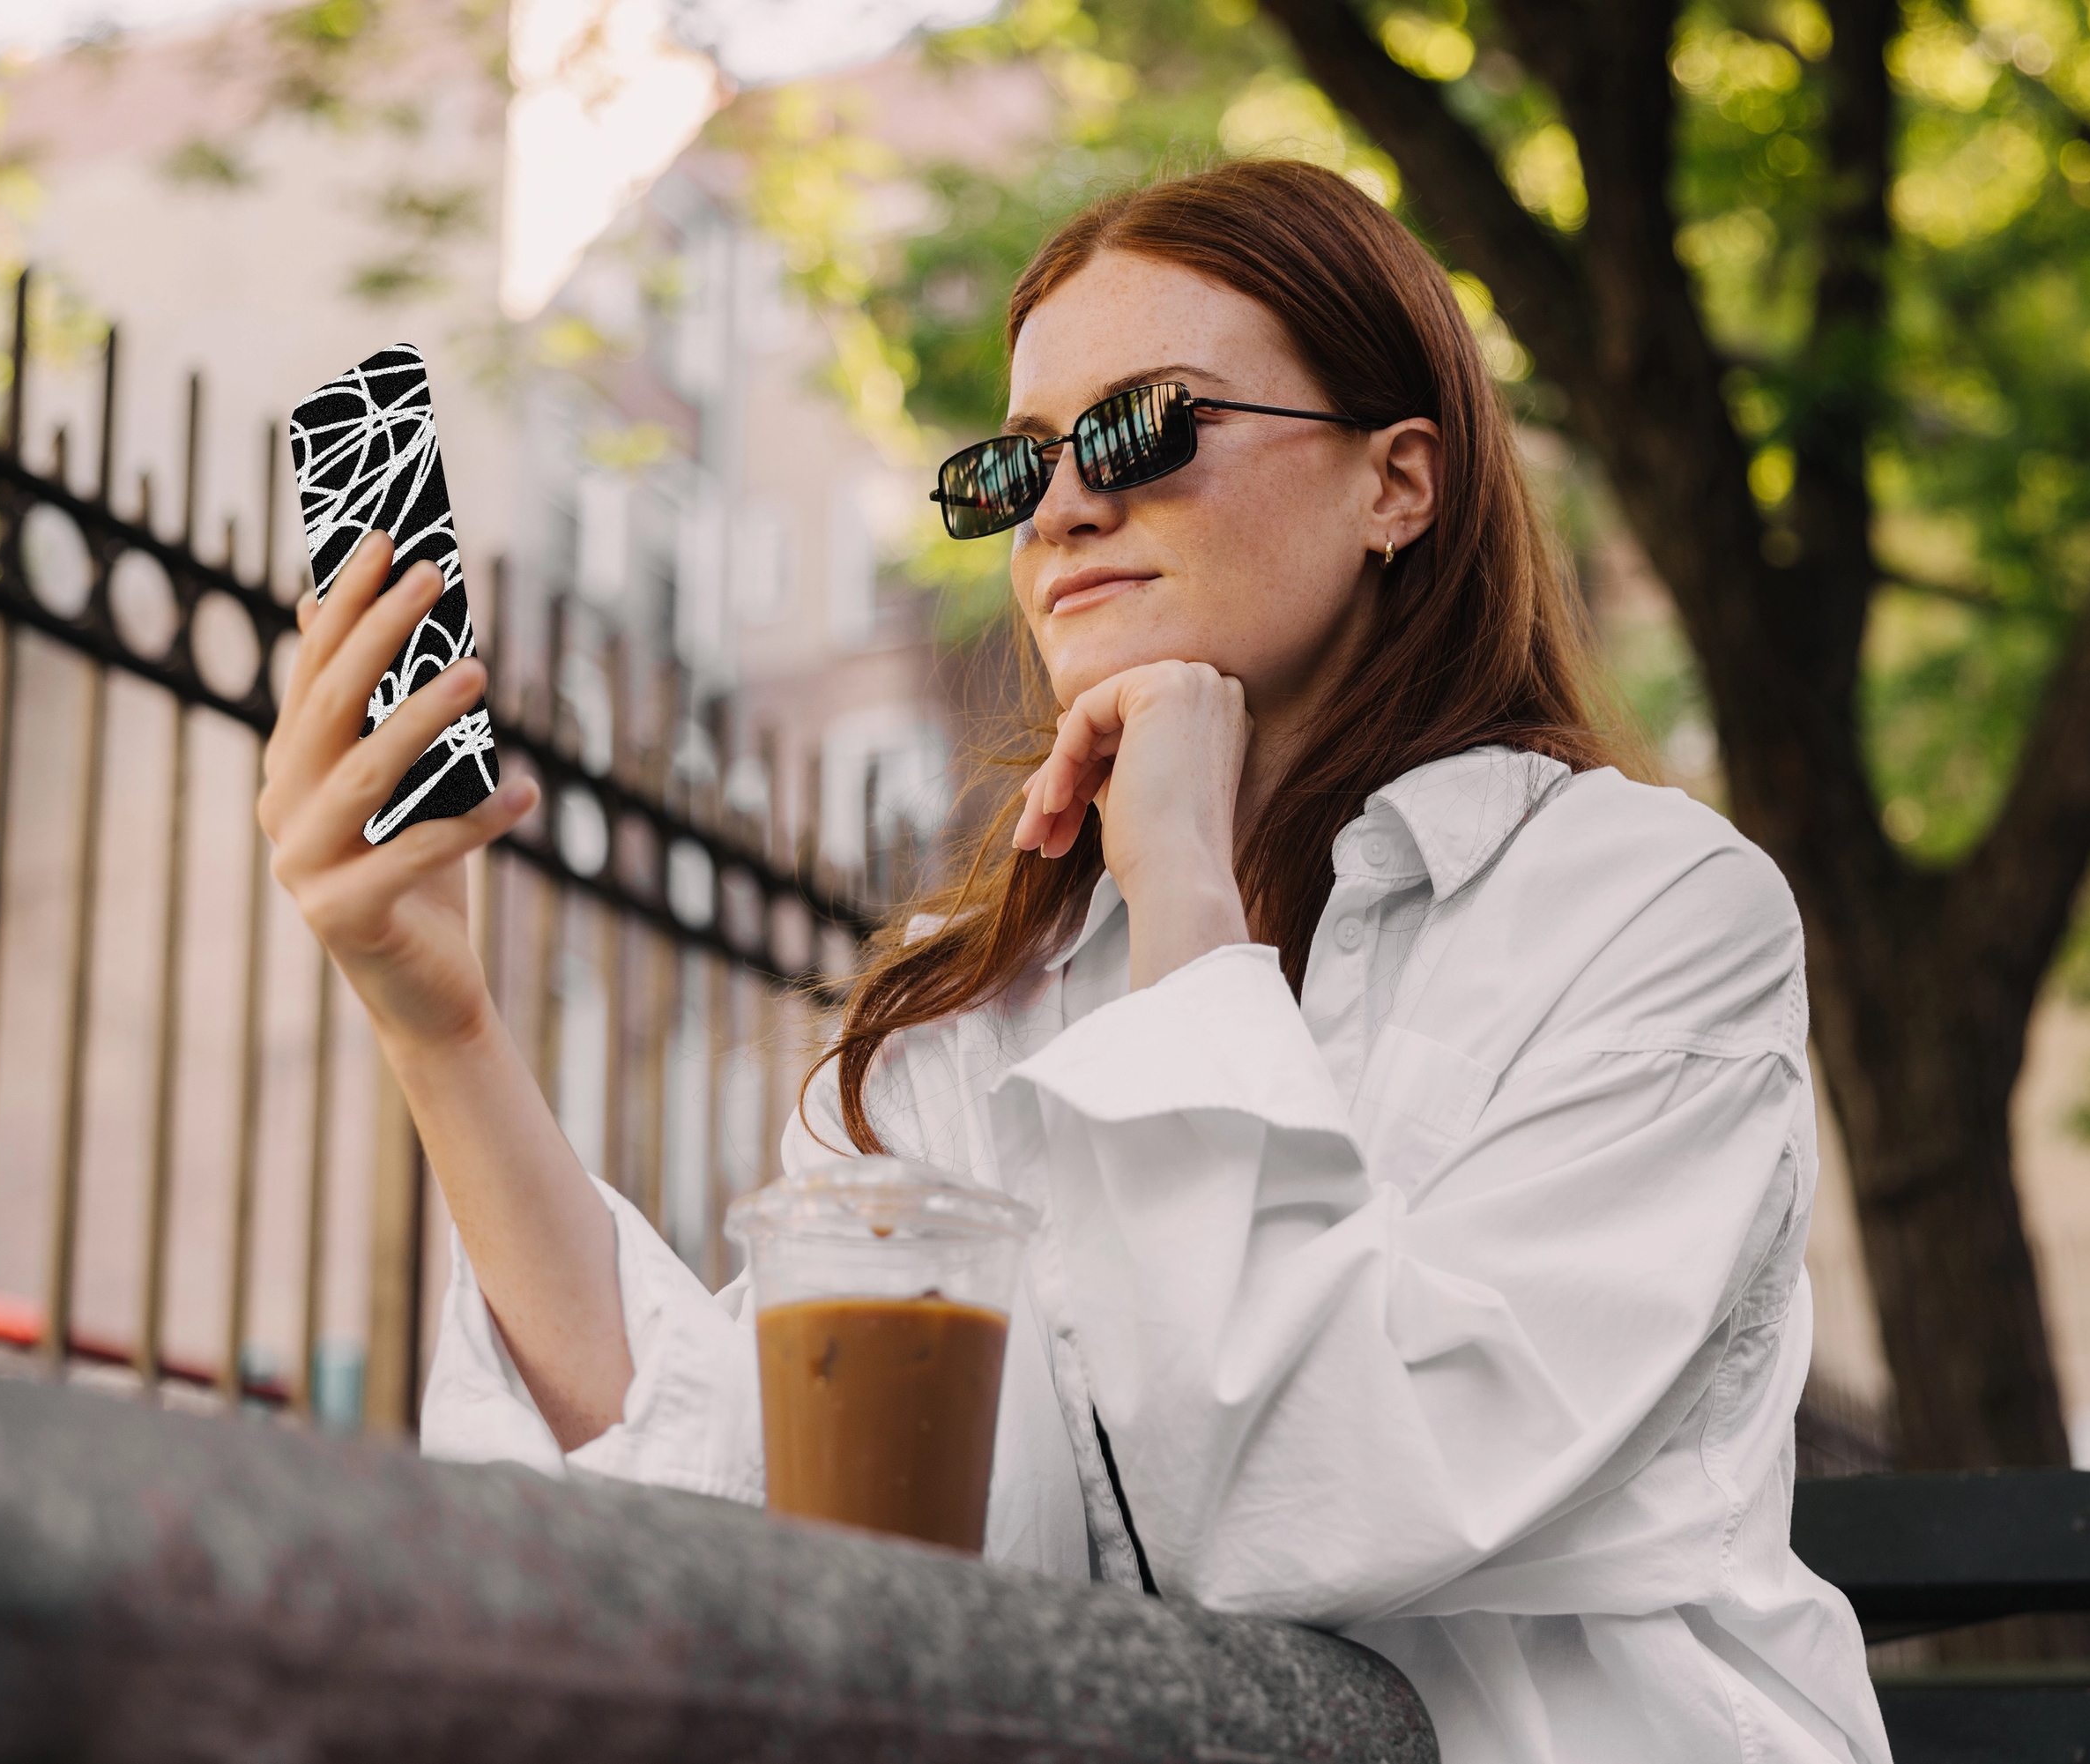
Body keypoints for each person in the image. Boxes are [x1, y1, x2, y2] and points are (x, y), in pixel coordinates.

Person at [257, 158, 1891, 1764]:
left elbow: (1319, 1495)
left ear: (1399, 480)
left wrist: (1184, 879)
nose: (1061, 507)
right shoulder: (963, 1011)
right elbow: (772, 1520)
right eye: (1013, 466)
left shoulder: (1647, 909)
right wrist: (439, 1016)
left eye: (1143, 427)